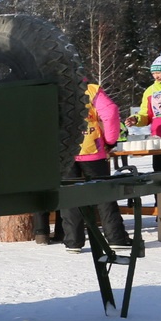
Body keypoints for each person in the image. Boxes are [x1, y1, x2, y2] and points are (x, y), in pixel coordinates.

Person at [61, 81, 132, 254]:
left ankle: (73, 242)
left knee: (69, 196)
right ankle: (116, 238)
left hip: (64, 149)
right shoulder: (91, 89)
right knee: (104, 194)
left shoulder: (54, 87)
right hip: (91, 147)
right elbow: (110, 112)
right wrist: (110, 140)